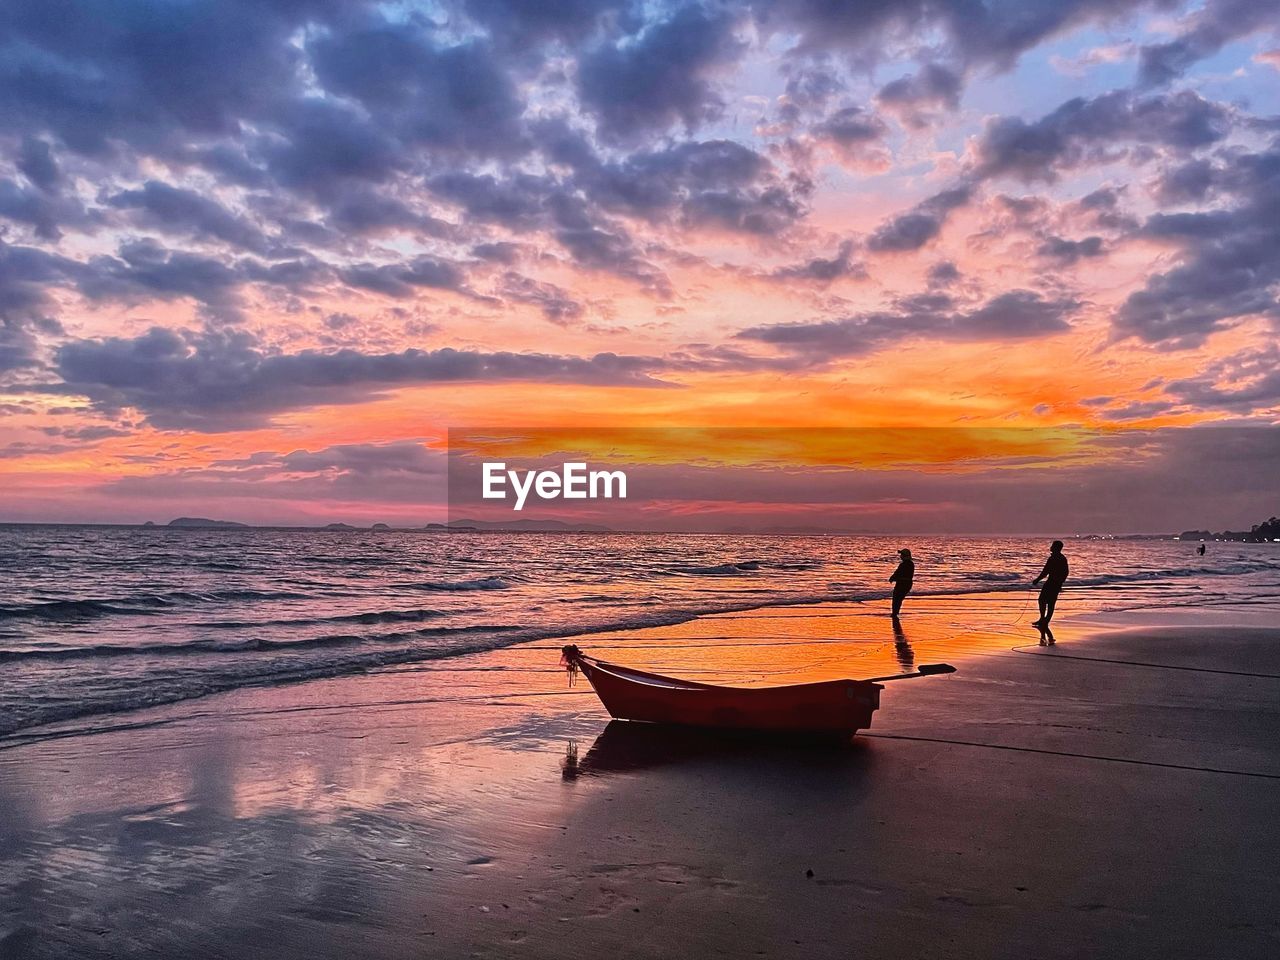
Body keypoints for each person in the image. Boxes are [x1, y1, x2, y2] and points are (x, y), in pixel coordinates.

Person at [1031, 540, 1068, 632]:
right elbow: (1066, 572)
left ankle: (1044, 620)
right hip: (1055, 583)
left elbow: (1045, 571)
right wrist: (1061, 582)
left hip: (1052, 583)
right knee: (1048, 602)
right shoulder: (1062, 558)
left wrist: (1037, 580)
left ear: (1055, 547)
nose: (1051, 547)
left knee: (1043, 601)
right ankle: (1044, 620)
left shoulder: (1054, 558)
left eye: (1052, 546)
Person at [889, 548, 914, 619]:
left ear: (904, 556)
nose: (900, 556)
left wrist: (892, 578)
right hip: (908, 584)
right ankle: (895, 613)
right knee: (899, 599)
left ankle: (894, 613)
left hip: (902, 584)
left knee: (896, 598)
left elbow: (898, 573)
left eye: (901, 555)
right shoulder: (911, 564)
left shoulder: (904, 564)